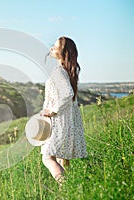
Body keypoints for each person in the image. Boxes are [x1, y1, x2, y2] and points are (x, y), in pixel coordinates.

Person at [40, 36, 87, 185]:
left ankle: (65, 186)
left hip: (60, 120)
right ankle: (68, 191)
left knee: (47, 156)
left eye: (56, 47)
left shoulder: (58, 71)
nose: (52, 49)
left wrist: (52, 110)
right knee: (62, 156)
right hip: (68, 119)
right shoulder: (67, 71)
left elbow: (67, 94)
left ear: (64, 52)